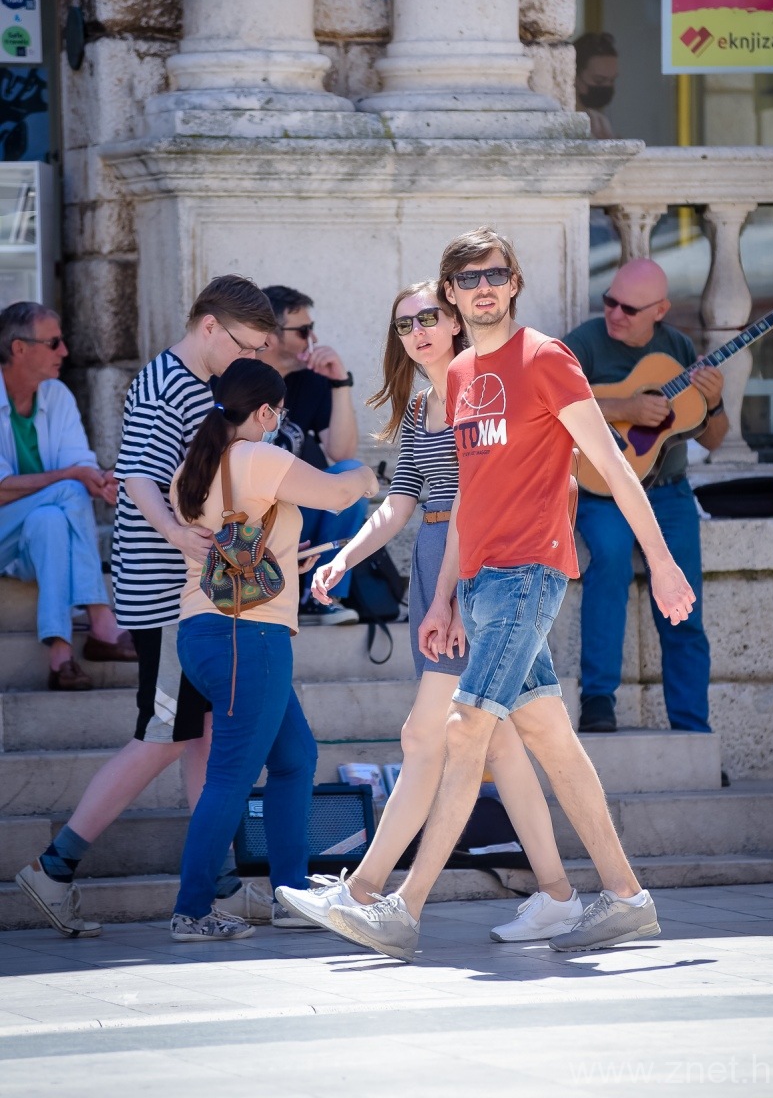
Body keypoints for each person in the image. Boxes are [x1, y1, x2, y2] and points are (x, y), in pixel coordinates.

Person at [324, 226, 697, 962]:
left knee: (465, 730)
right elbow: (470, 495)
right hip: (478, 582)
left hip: (529, 573)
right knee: (550, 739)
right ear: (453, 294)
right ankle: (626, 896)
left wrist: (662, 562)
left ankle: (401, 908)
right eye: (467, 280)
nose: (483, 288)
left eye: (494, 274)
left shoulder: (547, 358)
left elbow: (611, 464)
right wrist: (444, 599)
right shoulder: (461, 374)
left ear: (514, 282)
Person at [274, 281, 583, 944]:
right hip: (434, 562)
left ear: (455, 323)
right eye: (404, 324)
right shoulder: (419, 408)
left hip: (481, 567)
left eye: (427, 318)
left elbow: (504, 494)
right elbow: (400, 502)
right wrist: (344, 559)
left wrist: (455, 593)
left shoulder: (488, 394)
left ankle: (364, 890)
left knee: (425, 736)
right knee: (498, 741)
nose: (416, 332)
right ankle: (557, 893)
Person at [15, 277, 291, 937]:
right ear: (209, 327)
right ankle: (54, 867)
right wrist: (174, 533)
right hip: (166, 593)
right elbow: (137, 470)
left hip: (192, 592)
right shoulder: (166, 382)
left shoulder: (199, 382)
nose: (252, 358)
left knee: (197, 736)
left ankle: (218, 884)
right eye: (247, 344)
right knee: (163, 737)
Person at [169, 358, 378, 941]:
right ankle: (192, 910)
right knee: (231, 776)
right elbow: (338, 494)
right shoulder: (256, 458)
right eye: (279, 414)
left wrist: (288, 559)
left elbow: (228, 546)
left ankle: (291, 894)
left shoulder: (195, 464)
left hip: (206, 633)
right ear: (264, 412)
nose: (279, 423)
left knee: (294, 758)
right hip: (248, 639)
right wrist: (368, 476)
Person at [563, 258, 728, 736]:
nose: (614, 314)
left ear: (660, 311)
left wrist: (714, 401)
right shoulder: (583, 343)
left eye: (629, 309)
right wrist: (624, 407)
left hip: (668, 493)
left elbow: (714, 438)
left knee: (684, 604)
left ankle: (693, 731)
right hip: (601, 491)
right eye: (609, 301)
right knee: (611, 561)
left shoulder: (677, 348)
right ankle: (598, 701)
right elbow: (548, 407)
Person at [0, 302, 135, 692]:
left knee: (51, 520)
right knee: (68, 490)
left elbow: (78, 462)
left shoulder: (56, 394)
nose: (65, 351)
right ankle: (101, 618)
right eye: (54, 342)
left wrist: (99, 480)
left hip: (33, 538)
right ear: (19, 348)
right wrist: (75, 478)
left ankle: (61, 656)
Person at [260, 285, 367, 627]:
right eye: (303, 331)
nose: (313, 338)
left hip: (297, 510)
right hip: (248, 516)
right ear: (269, 336)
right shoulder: (236, 381)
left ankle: (323, 596)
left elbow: (341, 453)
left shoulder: (310, 382)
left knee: (350, 475)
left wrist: (339, 383)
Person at [574, 31, 618, 139]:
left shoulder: (602, 121)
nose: (607, 87)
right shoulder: (559, 117)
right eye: (599, 80)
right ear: (575, 77)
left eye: (612, 80)